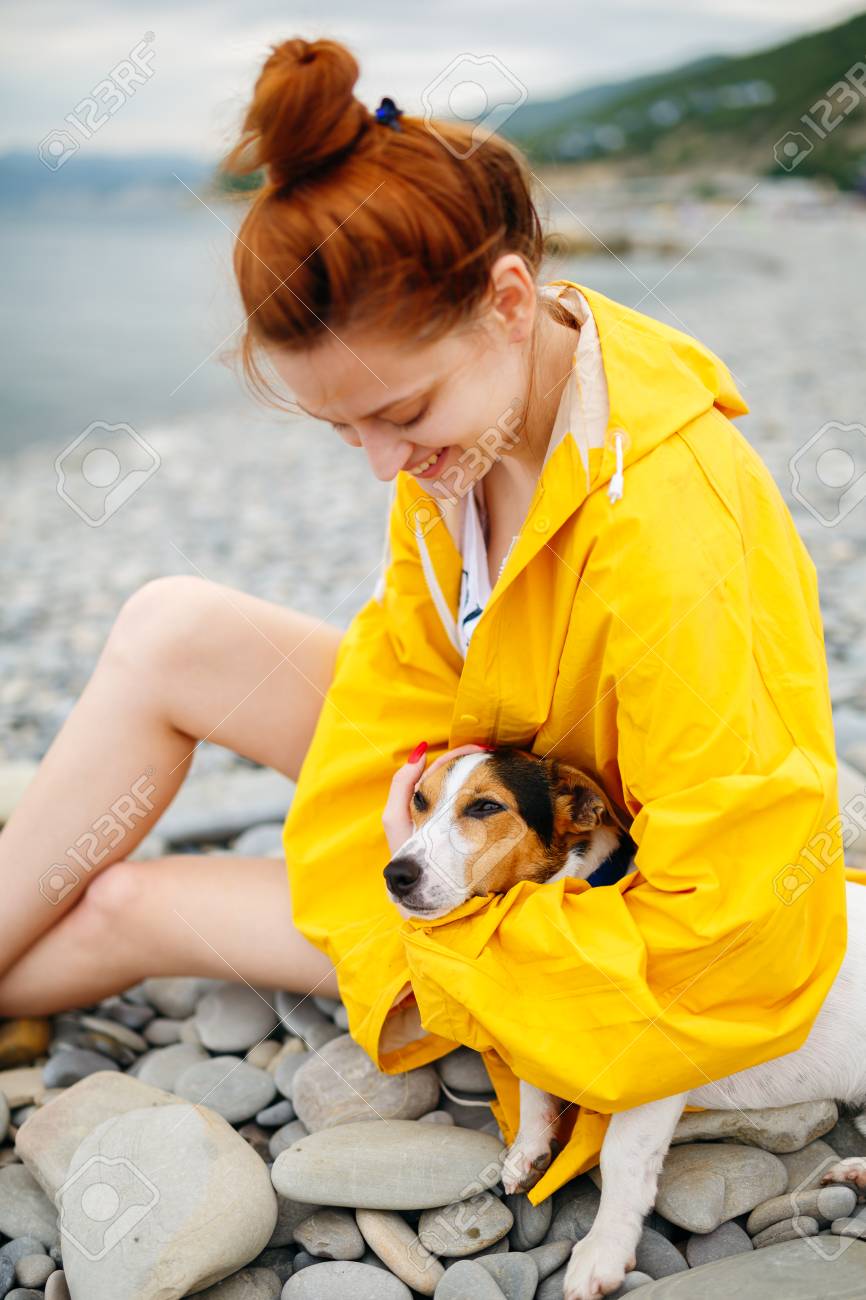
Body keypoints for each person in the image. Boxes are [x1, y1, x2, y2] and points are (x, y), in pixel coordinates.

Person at [0, 36, 855, 1198]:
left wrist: (454, 914)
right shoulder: (487, 412)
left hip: (581, 889)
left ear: (506, 299)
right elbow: (400, 674)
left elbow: (726, 912)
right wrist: (408, 799)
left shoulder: (671, 526)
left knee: (126, 896)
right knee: (169, 624)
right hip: (485, 783)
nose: (382, 464)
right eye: (343, 428)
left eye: (399, 413)